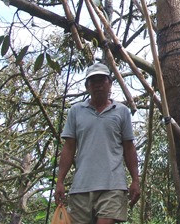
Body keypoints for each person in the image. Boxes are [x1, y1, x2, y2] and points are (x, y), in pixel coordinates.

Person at [55, 62, 141, 224]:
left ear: (110, 83)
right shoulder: (76, 111)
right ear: (87, 86)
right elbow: (69, 148)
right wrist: (60, 181)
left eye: (102, 80)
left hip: (113, 185)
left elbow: (129, 148)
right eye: (93, 81)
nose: (98, 85)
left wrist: (135, 180)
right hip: (81, 186)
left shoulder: (121, 111)